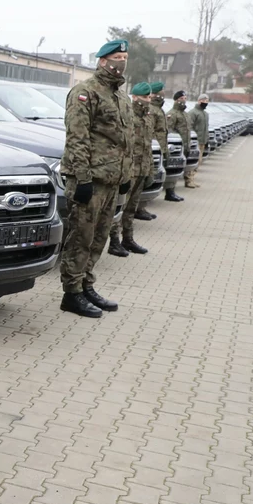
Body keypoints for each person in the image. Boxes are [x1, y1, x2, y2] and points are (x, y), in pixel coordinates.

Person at [59, 40, 132, 318]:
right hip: (91, 179)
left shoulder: (121, 97)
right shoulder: (85, 92)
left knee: (99, 237)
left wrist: (125, 176)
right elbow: (77, 137)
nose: (121, 61)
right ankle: (71, 293)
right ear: (102, 61)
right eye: (116, 56)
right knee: (81, 237)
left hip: (112, 180)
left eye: (124, 57)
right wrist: (82, 178)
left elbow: (126, 140)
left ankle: (86, 284)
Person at [109, 82, 153, 257]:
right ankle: (113, 241)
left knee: (131, 208)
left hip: (142, 169)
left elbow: (148, 146)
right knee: (120, 207)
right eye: (144, 97)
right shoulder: (127, 116)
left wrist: (150, 170)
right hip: (128, 169)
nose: (148, 100)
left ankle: (128, 239)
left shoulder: (147, 117)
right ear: (134, 97)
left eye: (149, 97)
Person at [137, 81, 170, 220]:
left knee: (150, 178)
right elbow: (150, 131)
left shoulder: (158, 109)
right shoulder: (151, 110)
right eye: (162, 90)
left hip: (157, 147)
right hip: (151, 148)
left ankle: (141, 207)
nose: (164, 92)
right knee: (144, 180)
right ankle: (138, 209)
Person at [166, 91, 191, 202]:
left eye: (185, 98)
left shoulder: (185, 114)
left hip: (184, 146)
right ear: (176, 99)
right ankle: (169, 192)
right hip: (176, 147)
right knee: (173, 169)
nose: (184, 100)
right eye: (181, 98)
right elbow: (169, 131)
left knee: (178, 170)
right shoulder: (173, 113)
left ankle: (172, 190)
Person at [186, 94, 209, 188]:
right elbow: (189, 127)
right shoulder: (193, 113)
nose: (206, 103)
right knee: (193, 161)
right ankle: (188, 179)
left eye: (207, 101)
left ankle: (192, 178)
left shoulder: (205, 114)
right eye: (204, 101)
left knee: (198, 161)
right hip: (195, 141)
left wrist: (206, 140)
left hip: (202, 141)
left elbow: (206, 128)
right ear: (199, 101)